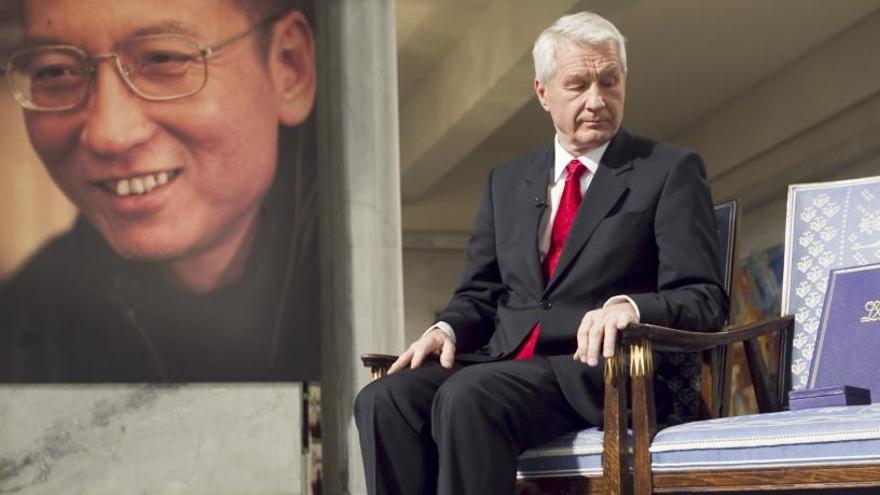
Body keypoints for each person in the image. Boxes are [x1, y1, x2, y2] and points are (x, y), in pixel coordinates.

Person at [354, 11, 728, 495]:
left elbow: (703, 299)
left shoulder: (668, 170)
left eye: (609, 82)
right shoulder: (506, 182)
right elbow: (480, 293)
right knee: (383, 400)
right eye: (578, 85)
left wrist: (630, 306)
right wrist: (445, 328)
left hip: (599, 373)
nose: (597, 100)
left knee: (468, 396)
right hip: (504, 360)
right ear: (542, 92)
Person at [0, 0, 318, 381]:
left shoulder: (379, 287)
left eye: (163, 59)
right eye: (55, 71)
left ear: (288, 66)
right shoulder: (24, 326)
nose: (108, 134)